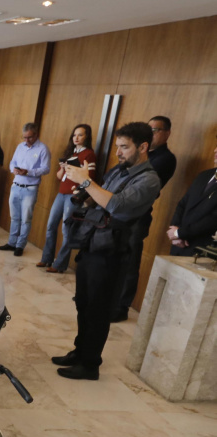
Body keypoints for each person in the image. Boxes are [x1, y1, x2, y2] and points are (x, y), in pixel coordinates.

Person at [53, 122, 161, 380]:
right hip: (94, 241)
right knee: (83, 302)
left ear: (143, 147)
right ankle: (80, 351)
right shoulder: (119, 170)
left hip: (113, 249)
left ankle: (90, 364)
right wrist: (85, 192)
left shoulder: (149, 179)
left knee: (98, 309)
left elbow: (117, 206)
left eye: (125, 147)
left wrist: (87, 181)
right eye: (117, 147)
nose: (119, 152)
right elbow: (101, 196)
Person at [112, 115, 179, 322]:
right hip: (119, 212)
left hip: (138, 215)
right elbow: (116, 174)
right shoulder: (135, 156)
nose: (151, 133)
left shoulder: (164, 158)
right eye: (148, 129)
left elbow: (135, 182)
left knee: (129, 260)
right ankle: (106, 299)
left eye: (156, 130)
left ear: (167, 133)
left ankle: (121, 307)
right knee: (112, 256)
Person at [38, 124, 96, 273]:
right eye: (74, 135)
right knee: (51, 225)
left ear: (87, 137)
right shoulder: (70, 152)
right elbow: (59, 177)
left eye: (80, 135)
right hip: (61, 193)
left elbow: (89, 178)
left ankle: (60, 265)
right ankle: (46, 258)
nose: (76, 138)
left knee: (66, 229)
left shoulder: (89, 154)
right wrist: (63, 166)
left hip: (73, 195)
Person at [0, 123, 51, 256]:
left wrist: (29, 172)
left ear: (36, 134)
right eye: (24, 137)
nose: (26, 140)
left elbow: (46, 168)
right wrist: (13, 169)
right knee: (14, 217)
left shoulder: (43, 149)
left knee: (26, 219)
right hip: (16, 186)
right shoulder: (20, 147)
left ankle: (20, 245)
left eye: (30, 137)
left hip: (30, 188)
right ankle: (11, 242)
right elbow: (12, 162)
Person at [168, 142, 217, 255]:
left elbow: (213, 220)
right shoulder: (204, 175)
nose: (215, 150)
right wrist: (175, 229)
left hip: (201, 249)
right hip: (178, 244)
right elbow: (182, 204)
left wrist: (180, 233)